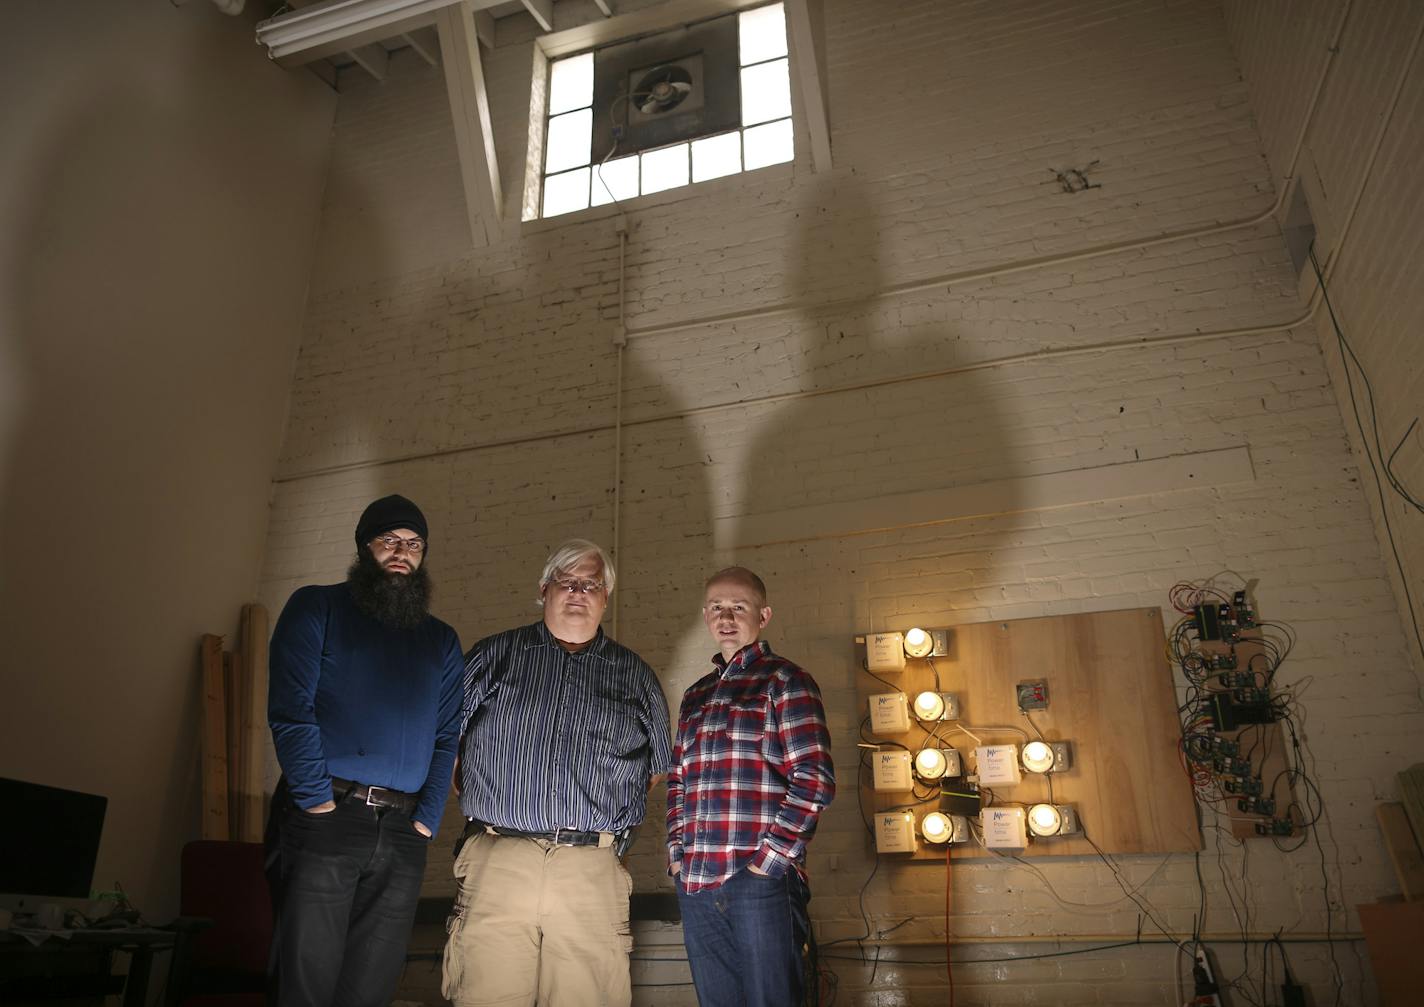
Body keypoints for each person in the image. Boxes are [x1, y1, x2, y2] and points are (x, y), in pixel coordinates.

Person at [442, 539, 673, 1007]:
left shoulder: (635, 676)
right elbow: (446, 742)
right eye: (566, 582)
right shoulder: (494, 657)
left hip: (589, 870)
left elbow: (655, 769)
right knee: (486, 995)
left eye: (590, 584)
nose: (578, 592)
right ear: (544, 589)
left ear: (606, 597)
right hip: (499, 858)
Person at [266, 494, 463, 1007]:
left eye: (414, 544)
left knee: (371, 988)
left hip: (402, 831)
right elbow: (291, 710)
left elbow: (448, 736)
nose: (403, 553)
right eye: (390, 541)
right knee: (306, 982)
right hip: (325, 815)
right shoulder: (317, 606)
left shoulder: (440, 640)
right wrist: (315, 800)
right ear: (364, 547)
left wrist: (426, 821)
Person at [667, 566, 836, 1007]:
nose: (726, 617)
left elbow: (814, 780)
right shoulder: (695, 696)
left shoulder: (785, 681)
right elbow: (679, 782)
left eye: (738, 607)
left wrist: (767, 865)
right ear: (706, 615)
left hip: (759, 881)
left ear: (763, 615)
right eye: (717, 607)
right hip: (697, 882)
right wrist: (677, 859)